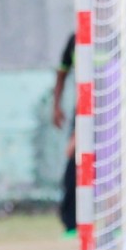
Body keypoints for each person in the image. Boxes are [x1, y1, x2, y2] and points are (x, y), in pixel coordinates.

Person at [53, 33, 77, 238]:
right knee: (74, 166)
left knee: (110, 170)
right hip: (85, 111)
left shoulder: (114, 36)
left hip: (114, 110)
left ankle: (115, 224)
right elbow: (62, 72)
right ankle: (71, 223)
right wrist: (56, 106)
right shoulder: (75, 40)